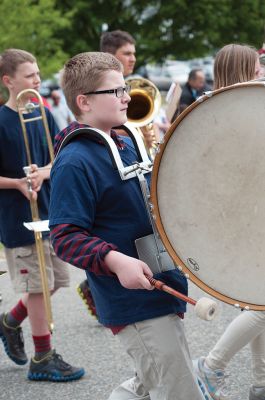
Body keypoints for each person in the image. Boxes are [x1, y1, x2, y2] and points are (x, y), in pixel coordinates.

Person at [49, 51, 210, 400]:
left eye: (125, 87)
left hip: (162, 285)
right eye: (116, 91)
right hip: (132, 300)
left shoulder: (125, 140)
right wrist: (115, 261)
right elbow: (64, 236)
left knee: (147, 383)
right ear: (84, 101)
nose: (126, 96)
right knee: (179, 390)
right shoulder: (75, 161)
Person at [0, 48, 84, 382]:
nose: (38, 80)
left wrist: (44, 173)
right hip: (16, 217)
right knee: (38, 285)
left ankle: (9, 321)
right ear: (8, 81)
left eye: (37, 74)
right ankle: (42, 356)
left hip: (49, 210)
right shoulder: (1, 120)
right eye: (30, 75)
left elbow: (58, 159)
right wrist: (18, 182)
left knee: (56, 282)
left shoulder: (44, 114)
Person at [193, 43, 265, 400]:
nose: (261, 72)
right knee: (262, 305)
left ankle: (261, 382)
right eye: (257, 68)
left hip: (241, 220)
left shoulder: (210, 108)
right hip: (246, 221)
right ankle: (211, 366)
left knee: (258, 301)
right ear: (244, 71)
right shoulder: (236, 111)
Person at [77, 30, 160, 314]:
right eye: (127, 53)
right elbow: (67, 234)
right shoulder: (80, 154)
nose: (133, 58)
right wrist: (114, 260)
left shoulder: (120, 130)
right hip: (125, 289)